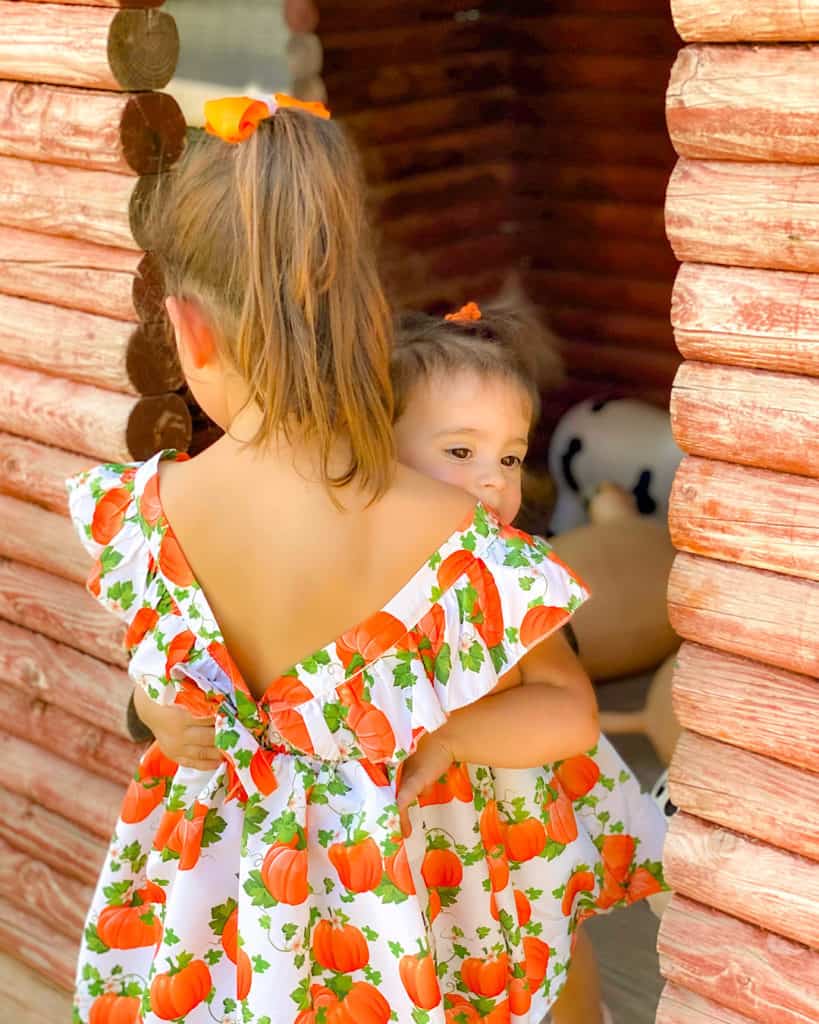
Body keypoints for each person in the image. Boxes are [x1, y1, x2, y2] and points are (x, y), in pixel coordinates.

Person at [68, 96, 665, 1024]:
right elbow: (571, 714)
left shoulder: (143, 516)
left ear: (188, 332)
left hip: (230, 924)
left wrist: (158, 709)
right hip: (410, 910)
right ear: (365, 315)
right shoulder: (456, 542)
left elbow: (163, 678)